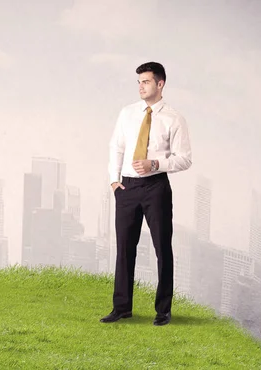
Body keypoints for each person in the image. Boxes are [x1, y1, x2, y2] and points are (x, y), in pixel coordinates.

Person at [100, 61, 192, 326]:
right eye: (139, 82)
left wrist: (156, 164)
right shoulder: (127, 113)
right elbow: (116, 147)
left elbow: (184, 159)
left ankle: (163, 310)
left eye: (146, 82)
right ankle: (122, 308)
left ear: (160, 84)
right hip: (127, 188)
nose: (141, 86)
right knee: (124, 249)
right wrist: (113, 182)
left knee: (162, 248)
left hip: (156, 187)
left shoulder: (174, 118)